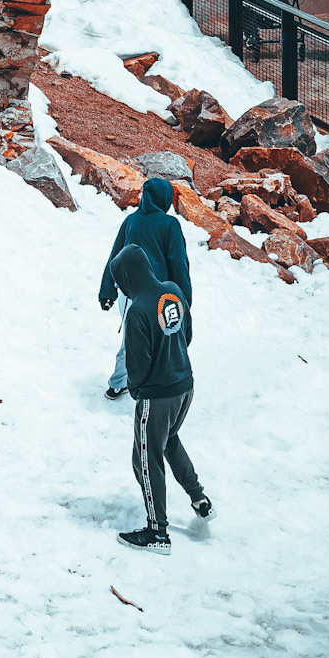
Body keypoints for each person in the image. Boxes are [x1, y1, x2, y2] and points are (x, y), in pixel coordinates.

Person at [111, 243, 212, 554]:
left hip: (158, 396)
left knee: (145, 459)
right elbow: (187, 333)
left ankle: (158, 532)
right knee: (169, 441)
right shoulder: (172, 290)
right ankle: (199, 499)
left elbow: (136, 365)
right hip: (185, 386)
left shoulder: (138, 310)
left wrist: (140, 392)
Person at [99, 177, 192, 401]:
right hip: (162, 296)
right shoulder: (170, 225)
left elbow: (115, 256)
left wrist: (107, 291)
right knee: (162, 339)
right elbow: (179, 264)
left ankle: (117, 384)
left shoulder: (131, 220)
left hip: (130, 295)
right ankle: (154, 384)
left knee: (132, 341)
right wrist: (185, 299)